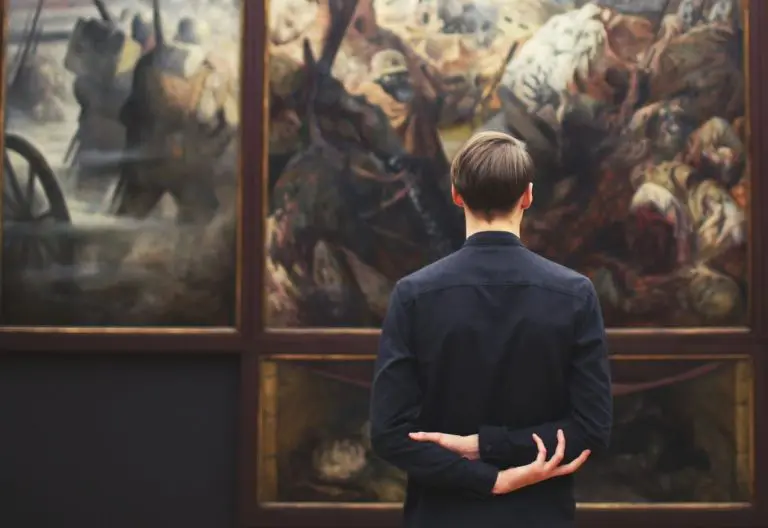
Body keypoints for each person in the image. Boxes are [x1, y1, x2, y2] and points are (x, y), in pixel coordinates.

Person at [369, 131, 613, 527]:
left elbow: (388, 434)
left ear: (456, 195)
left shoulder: (413, 295)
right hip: (539, 515)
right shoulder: (575, 294)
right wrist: (495, 466)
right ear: (528, 196)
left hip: (442, 515)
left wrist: (484, 465)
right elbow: (591, 429)